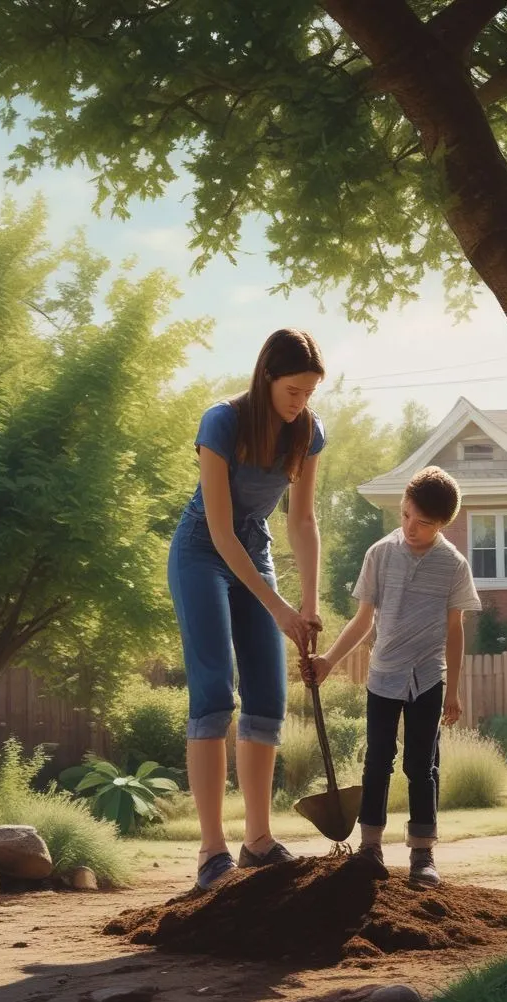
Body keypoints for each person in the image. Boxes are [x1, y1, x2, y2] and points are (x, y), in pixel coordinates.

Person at [168, 328, 326, 890]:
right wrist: (278, 605)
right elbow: (218, 528)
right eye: (293, 388)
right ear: (267, 377)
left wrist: (305, 605)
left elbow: (302, 522)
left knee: (268, 698)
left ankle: (258, 842)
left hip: (254, 551)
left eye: (309, 391)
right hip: (201, 554)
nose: (300, 400)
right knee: (214, 694)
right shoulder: (222, 422)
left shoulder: (307, 434)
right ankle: (212, 852)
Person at [301, 466, 481, 886]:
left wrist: (452, 691)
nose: (411, 527)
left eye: (424, 523)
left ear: (443, 524)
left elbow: (454, 631)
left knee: (422, 766)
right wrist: (327, 660)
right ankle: (370, 847)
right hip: (384, 676)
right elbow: (363, 620)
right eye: (405, 516)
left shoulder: (453, 565)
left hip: (428, 680)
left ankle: (422, 854)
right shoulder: (380, 554)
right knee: (377, 761)